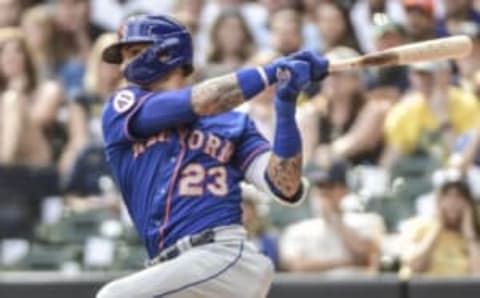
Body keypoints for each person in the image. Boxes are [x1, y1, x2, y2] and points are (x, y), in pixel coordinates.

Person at [97, 14, 329, 298]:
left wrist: (285, 107)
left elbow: (286, 185)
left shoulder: (234, 124)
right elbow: (202, 101)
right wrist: (268, 74)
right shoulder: (124, 106)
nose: (124, 66)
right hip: (176, 269)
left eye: (134, 53)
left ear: (168, 52)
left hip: (223, 257)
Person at [280, 160, 385, 275]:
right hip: (314, 291)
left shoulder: (368, 220)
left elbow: (368, 255)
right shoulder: (296, 230)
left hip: (357, 290)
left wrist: (334, 220)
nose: (323, 192)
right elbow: (296, 266)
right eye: (319, 186)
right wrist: (347, 262)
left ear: (345, 189)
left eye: (330, 186)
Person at [299, 47, 389, 166]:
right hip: (323, 181)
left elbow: (359, 141)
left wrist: (328, 153)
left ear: (356, 79)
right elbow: (307, 158)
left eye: (338, 74)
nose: (331, 79)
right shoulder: (311, 112)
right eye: (327, 73)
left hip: (362, 179)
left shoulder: (374, 109)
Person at [382, 61, 480, 168]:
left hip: (454, 176)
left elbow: (462, 159)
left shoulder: (468, 104)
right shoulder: (404, 110)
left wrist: (443, 117)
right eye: (418, 74)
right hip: (419, 175)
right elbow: (390, 159)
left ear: (446, 75)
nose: (423, 81)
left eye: (430, 74)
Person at [0, 27, 63, 167]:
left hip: (37, 160)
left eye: (17, 51)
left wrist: (16, 93)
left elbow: (36, 122)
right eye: (3, 52)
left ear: (27, 57)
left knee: (11, 101)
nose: (10, 57)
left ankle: (2, 169)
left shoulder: (49, 89)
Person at [400, 172, 480, 276]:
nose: (453, 202)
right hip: (427, 290)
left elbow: (477, 275)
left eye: (459, 196)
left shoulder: (475, 234)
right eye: (447, 196)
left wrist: (469, 233)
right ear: (438, 201)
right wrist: (437, 227)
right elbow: (414, 266)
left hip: (463, 291)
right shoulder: (420, 227)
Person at [198, 9, 256, 80]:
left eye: (236, 29)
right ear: (216, 33)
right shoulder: (203, 69)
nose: (231, 34)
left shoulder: (254, 67)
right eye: (226, 29)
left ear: (244, 34)